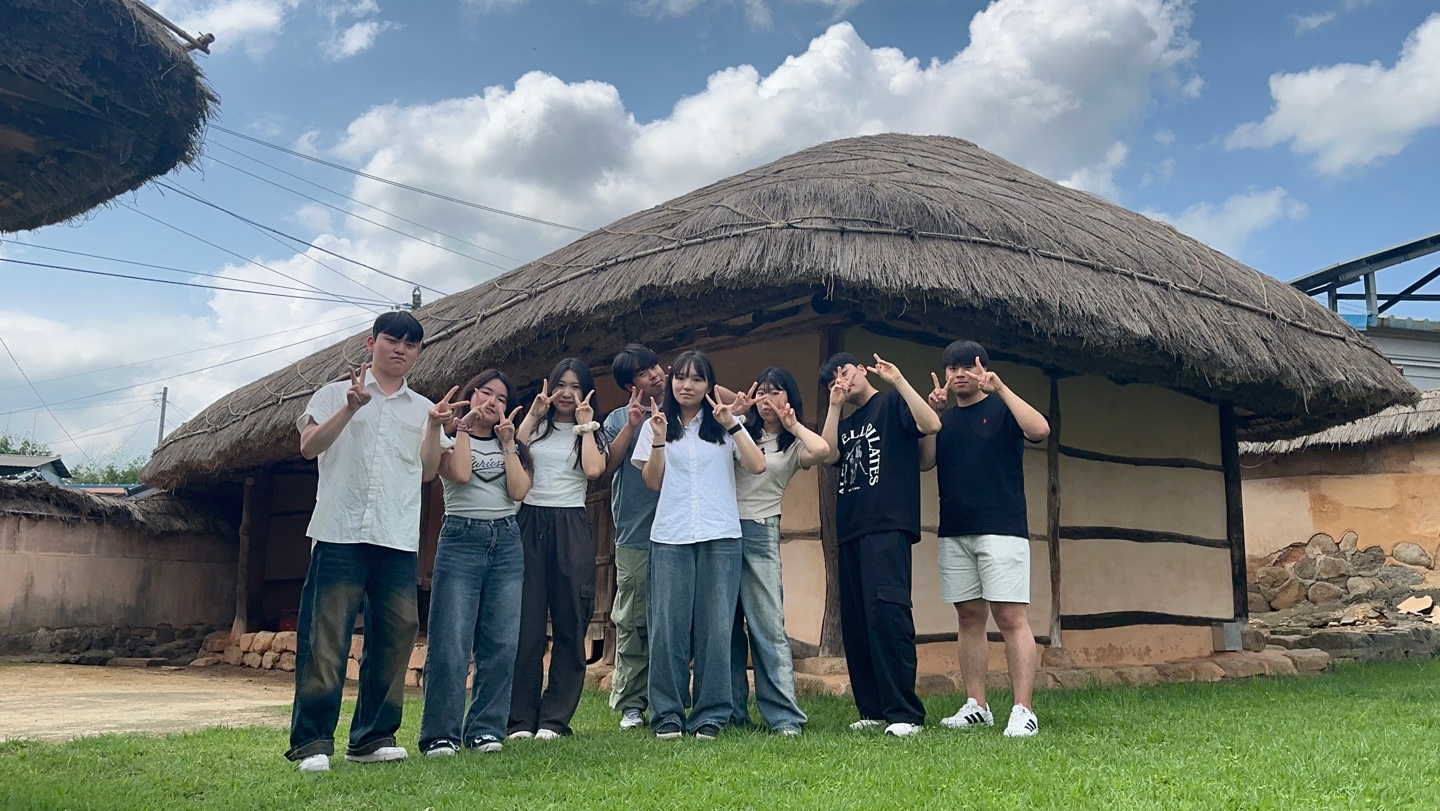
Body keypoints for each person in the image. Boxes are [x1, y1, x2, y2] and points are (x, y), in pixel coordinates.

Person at [287, 311, 463, 772]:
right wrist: (350, 408)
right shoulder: (333, 393)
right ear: (372, 343)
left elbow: (428, 471)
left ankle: (372, 737)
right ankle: (313, 742)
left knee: (396, 636)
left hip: (395, 536)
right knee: (325, 638)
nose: (400, 349)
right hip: (338, 531)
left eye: (411, 344)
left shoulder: (423, 407)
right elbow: (309, 446)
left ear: (418, 353)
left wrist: (434, 427)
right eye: (392, 340)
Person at [633, 350, 767, 740]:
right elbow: (653, 482)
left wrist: (733, 423)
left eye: (697, 379)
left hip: (720, 535)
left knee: (716, 629)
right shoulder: (656, 425)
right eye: (681, 378)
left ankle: (711, 712)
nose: (687, 386)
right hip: (670, 536)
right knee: (668, 629)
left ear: (710, 385)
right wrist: (659, 441)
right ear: (671, 382)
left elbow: (757, 465)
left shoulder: (724, 424)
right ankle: (668, 713)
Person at [920, 341, 1050, 738]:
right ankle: (977, 704)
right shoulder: (944, 419)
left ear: (982, 370)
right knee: (969, 618)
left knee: (1010, 618)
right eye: (952, 368)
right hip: (956, 529)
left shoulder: (1002, 408)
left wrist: (1002, 389)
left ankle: (1023, 710)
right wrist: (932, 417)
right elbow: (925, 461)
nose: (960, 374)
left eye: (967, 366)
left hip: (1002, 528)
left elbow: (1040, 430)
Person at [819, 351, 941, 738]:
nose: (841, 381)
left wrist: (899, 380)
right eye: (833, 380)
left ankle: (905, 712)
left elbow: (931, 424)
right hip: (850, 529)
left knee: (888, 616)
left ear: (861, 369)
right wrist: (834, 406)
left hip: (888, 525)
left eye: (845, 372)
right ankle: (871, 708)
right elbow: (827, 454)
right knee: (857, 622)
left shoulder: (891, 403)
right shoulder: (846, 421)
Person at [419, 370, 533, 757]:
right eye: (485, 393)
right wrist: (463, 428)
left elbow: (518, 491)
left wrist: (509, 443)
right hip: (461, 538)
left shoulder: (511, 443)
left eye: (501, 398)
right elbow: (461, 474)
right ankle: (441, 733)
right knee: (451, 640)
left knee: (501, 641)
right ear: (470, 395)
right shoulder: (449, 438)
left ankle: (485, 729)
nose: (492, 402)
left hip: (506, 540)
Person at [508, 358, 607, 740]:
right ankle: (520, 719)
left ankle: (554, 719)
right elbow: (511, 449)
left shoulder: (591, 431)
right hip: (530, 520)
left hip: (571, 523)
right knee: (526, 625)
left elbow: (594, 470)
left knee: (571, 621)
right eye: (561, 385)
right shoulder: (535, 428)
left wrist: (584, 424)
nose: (567, 393)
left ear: (586, 391)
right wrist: (534, 414)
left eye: (575, 386)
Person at [729, 367, 830, 735]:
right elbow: (714, 396)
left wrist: (794, 424)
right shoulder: (740, 429)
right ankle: (731, 711)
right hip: (723, 531)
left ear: (790, 397)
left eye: (776, 392)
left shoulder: (793, 444)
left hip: (760, 530)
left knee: (767, 627)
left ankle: (784, 717)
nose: (767, 400)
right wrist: (740, 407)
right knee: (725, 627)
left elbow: (822, 450)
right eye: (764, 392)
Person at [600, 344, 668, 731]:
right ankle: (631, 703)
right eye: (644, 372)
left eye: (655, 366)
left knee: (672, 619)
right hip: (635, 533)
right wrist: (631, 423)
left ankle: (667, 698)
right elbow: (606, 465)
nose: (655, 374)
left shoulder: (683, 409)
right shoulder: (616, 419)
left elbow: (726, 397)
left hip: (679, 531)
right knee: (633, 620)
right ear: (631, 385)